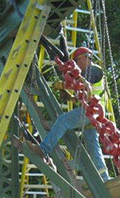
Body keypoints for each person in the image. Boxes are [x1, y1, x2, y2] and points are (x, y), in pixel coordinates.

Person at [32, 47, 110, 182]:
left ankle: (43, 149)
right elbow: (83, 95)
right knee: (93, 146)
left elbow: (81, 82)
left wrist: (61, 85)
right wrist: (70, 98)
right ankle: (104, 178)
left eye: (77, 60)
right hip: (93, 113)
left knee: (63, 121)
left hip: (92, 111)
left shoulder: (95, 70)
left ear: (85, 57)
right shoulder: (87, 73)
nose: (77, 64)